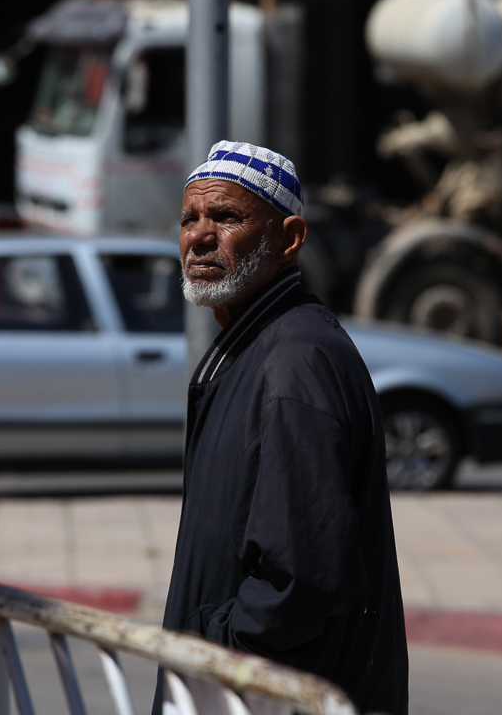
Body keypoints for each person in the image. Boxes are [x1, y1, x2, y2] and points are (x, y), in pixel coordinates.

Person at [156, 141, 408, 714]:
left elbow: (303, 578)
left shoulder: (294, 362)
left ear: (288, 239)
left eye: (225, 217)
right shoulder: (254, 346)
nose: (198, 236)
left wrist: (215, 651)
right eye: (189, 219)